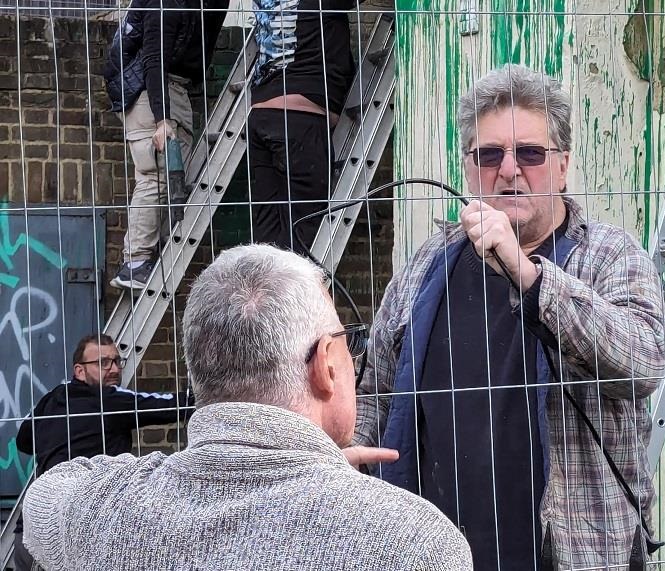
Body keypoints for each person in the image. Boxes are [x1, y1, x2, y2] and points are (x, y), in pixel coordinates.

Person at [354, 64, 665, 570]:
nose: (509, 170)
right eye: (490, 155)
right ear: (468, 168)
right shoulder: (426, 268)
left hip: (570, 555)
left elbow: (644, 364)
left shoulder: (609, 256)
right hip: (438, 554)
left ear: (563, 166)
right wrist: (342, 458)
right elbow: (375, 389)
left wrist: (529, 275)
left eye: (530, 153)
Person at [23, 245, 473, 570]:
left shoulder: (108, 517)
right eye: (346, 341)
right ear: (325, 367)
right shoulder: (415, 544)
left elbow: (44, 497)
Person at [14, 333, 191, 571]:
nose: (114, 369)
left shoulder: (52, 398)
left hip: (31, 531)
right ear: (79, 371)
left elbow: (24, 440)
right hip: (79, 531)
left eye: (117, 361)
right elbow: (175, 404)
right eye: (103, 363)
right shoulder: (110, 399)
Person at [106, 0, 228, 289]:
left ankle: (144, 255)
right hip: (153, 92)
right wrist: (162, 119)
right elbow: (154, 59)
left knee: (168, 177)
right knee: (156, 175)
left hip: (170, 90)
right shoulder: (168, 4)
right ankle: (136, 261)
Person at [247, 0, 360, 252]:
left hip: (261, 113)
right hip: (300, 119)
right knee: (303, 231)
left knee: (266, 235)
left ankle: (265, 278)